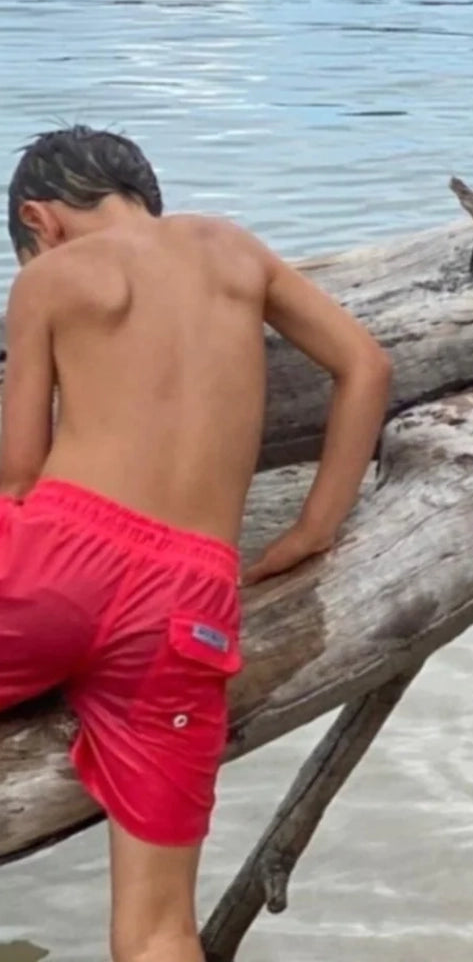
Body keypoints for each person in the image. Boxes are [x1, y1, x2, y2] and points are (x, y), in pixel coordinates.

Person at [0, 126, 393, 962]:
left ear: (41, 219)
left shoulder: (54, 279)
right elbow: (365, 364)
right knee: (157, 930)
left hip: (58, 558)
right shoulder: (231, 247)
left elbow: (19, 475)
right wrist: (315, 525)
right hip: (191, 600)